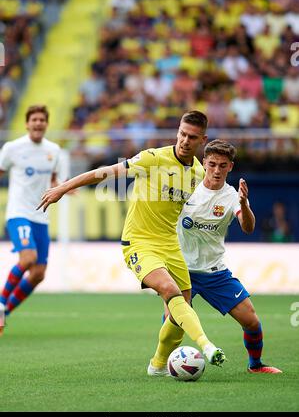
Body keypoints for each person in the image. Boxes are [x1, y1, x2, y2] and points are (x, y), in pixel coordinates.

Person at [37, 110, 226, 374]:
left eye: (191, 137)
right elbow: (106, 172)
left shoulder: (197, 173)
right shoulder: (152, 158)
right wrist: (62, 188)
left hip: (170, 245)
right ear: (177, 131)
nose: (184, 140)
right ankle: (207, 346)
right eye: (182, 133)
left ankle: (158, 364)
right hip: (139, 242)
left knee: (180, 312)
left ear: (202, 140)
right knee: (170, 291)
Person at [175, 139, 282, 374]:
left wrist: (244, 204)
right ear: (203, 162)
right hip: (181, 270)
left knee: (251, 320)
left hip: (215, 273)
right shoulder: (186, 189)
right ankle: (161, 363)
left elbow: (247, 227)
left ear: (230, 167)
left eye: (222, 165)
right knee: (173, 323)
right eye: (212, 164)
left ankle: (255, 365)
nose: (216, 170)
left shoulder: (232, 196)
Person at [0, 105, 63, 335]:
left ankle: (5, 311)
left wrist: (61, 187)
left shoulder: (53, 150)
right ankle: (0, 303)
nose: (38, 123)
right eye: (34, 119)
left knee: (38, 274)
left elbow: (53, 178)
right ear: (27, 124)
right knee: (28, 257)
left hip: (40, 216)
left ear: (46, 124)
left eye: (42, 120)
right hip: (18, 213)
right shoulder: (12, 148)